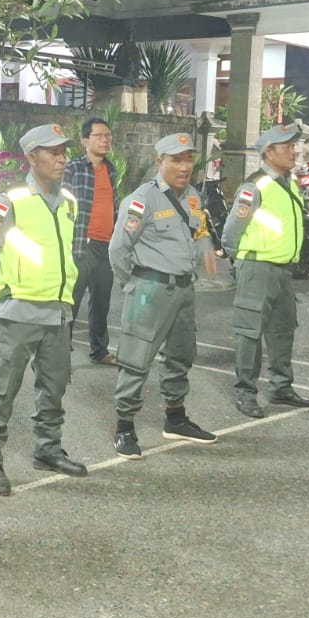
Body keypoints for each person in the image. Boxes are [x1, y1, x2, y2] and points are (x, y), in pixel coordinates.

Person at [0, 124, 90, 496]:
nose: (61, 159)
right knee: (2, 390)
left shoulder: (69, 201)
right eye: (52, 152)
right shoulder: (10, 201)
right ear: (31, 157)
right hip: (19, 312)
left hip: (57, 311)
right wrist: (8, 288)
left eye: (64, 151)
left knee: (54, 388)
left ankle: (48, 449)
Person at [109, 132, 218, 459]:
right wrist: (133, 282)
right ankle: (124, 426)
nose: (184, 167)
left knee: (181, 354)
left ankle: (175, 418)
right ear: (160, 162)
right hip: (150, 287)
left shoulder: (194, 198)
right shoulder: (142, 201)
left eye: (188, 159)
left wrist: (206, 248)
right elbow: (118, 249)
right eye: (176, 160)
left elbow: (198, 229)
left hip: (184, 288)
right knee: (136, 357)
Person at [221, 124, 309, 419]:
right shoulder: (255, 186)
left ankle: (281, 387)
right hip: (257, 267)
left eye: (294, 146)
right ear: (268, 152)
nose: (293, 152)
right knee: (249, 333)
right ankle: (245, 392)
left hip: (283, 270)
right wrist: (242, 262)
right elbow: (230, 233)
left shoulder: (290, 184)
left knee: (283, 330)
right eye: (286, 147)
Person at [63, 116, 120, 365]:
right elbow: (64, 207)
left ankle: (99, 350)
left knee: (101, 302)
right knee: (72, 300)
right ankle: (60, 348)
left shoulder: (111, 169)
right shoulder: (74, 169)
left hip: (106, 246)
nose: (105, 140)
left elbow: (113, 207)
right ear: (85, 140)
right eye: (99, 135)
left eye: (108, 135)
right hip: (82, 244)